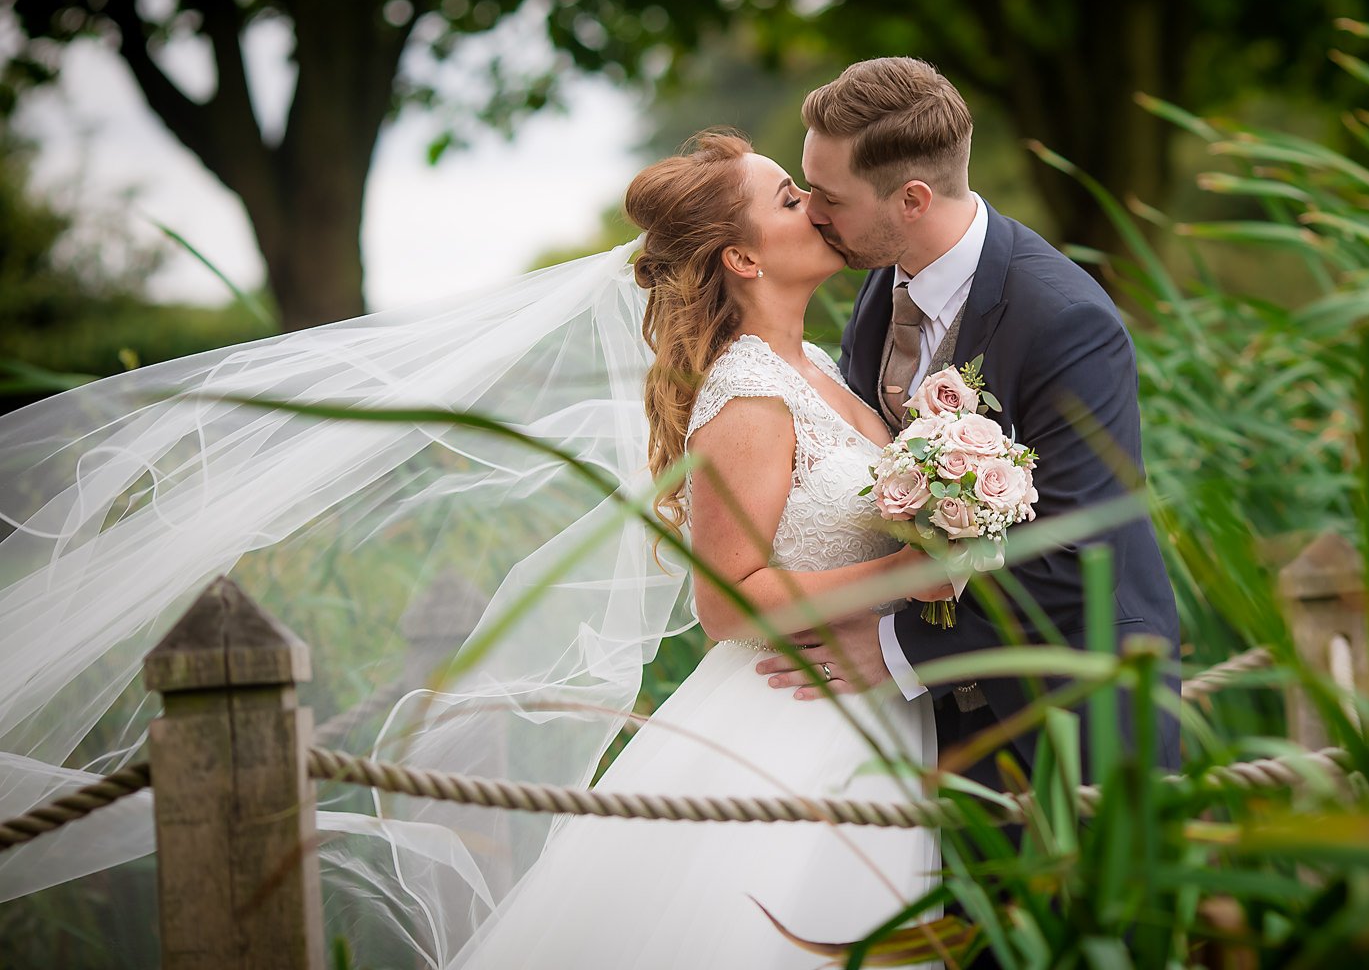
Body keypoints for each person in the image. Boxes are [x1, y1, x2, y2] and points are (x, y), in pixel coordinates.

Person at [0, 130, 947, 969]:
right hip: (786, 724)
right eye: (789, 196)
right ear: (743, 255)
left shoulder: (817, 364)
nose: (815, 205)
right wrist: (915, 571)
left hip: (860, 705)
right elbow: (726, 603)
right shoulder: (748, 396)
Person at [756, 57, 1182, 788]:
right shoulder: (881, 283)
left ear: (912, 199)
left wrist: (895, 648)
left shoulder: (1065, 321)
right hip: (930, 732)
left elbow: (1074, 554)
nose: (813, 212)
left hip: (1074, 710)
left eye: (829, 197)